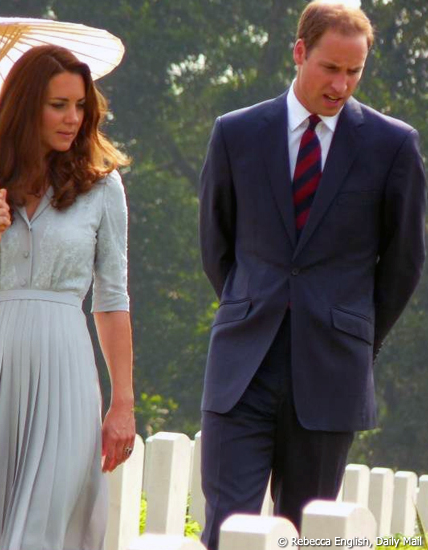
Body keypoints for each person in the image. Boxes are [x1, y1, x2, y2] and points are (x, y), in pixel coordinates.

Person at [198, 2, 426, 548]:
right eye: (330, 68)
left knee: (306, 536)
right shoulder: (236, 134)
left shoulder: (392, 146)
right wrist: (254, 304)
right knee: (227, 529)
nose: (341, 84)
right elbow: (217, 246)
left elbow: (403, 263)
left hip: (332, 371)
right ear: (300, 52)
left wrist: (356, 334)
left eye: (354, 72)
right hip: (242, 367)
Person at [0, 44, 135, 550]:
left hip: (67, 364)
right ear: (26, 107)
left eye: (80, 105)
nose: (74, 118)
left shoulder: (102, 188)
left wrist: (123, 404)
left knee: (44, 528)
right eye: (58, 105)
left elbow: (112, 300)